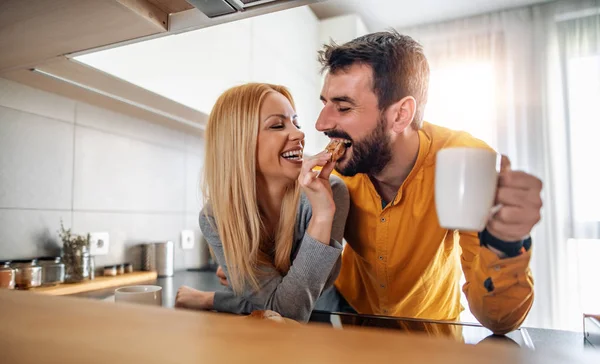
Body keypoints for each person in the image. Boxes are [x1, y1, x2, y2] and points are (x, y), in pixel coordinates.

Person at [216, 32, 542, 335]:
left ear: (400, 115)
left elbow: (499, 321)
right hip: (352, 341)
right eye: (325, 103)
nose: (320, 124)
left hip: (433, 345)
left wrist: (506, 242)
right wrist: (257, 265)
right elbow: (299, 251)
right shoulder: (334, 173)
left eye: (343, 107)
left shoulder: (464, 163)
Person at [175, 83, 350, 323]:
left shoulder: (328, 194)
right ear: (239, 143)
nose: (300, 134)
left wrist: (322, 215)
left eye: (296, 123)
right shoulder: (215, 217)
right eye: (278, 125)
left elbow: (289, 314)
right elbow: (274, 308)